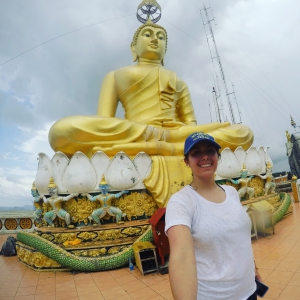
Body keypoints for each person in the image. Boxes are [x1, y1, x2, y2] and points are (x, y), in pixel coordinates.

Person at [48, 19, 253, 158]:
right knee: (62, 130)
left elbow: (190, 125)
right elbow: (106, 122)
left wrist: (193, 131)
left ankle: (170, 145)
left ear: (165, 49)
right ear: (133, 47)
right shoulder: (116, 75)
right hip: (138, 131)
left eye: (161, 37)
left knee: (243, 133)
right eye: (148, 34)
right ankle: (173, 148)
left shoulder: (178, 81)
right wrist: (149, 132)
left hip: (177, 134)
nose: (155, 39)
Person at [165, 132, 261, 300]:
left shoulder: (231, 192)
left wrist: (254, 269)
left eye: (210, 151)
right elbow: (182, 258)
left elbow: (239, 238)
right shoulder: (181, 202)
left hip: (249, 291)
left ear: (218, 156)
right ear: (186, 161)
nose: (205, 157)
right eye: (196, 153)